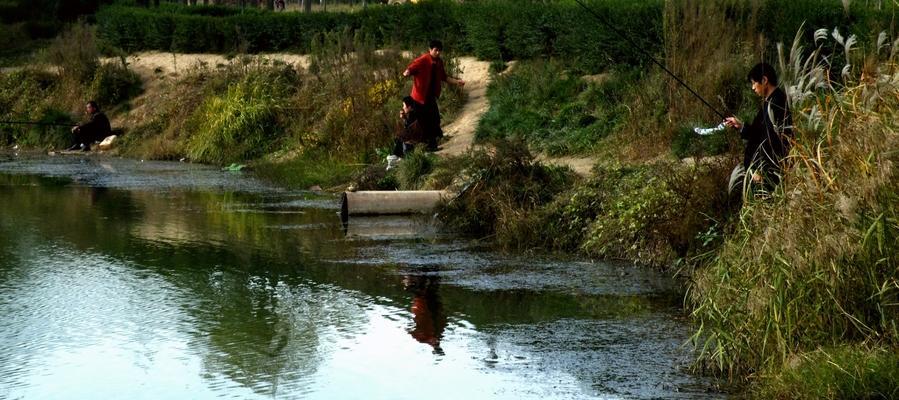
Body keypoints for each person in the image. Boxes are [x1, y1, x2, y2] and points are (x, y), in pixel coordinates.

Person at [723, 63, 793, 194]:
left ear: (764, 81)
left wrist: (761, 169)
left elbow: (771, 140)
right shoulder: (770, 101)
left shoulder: (776, 102)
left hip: (770, 173)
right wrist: (741, 126)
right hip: (765, 171)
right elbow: (759, 132)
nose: (753, 88)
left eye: (754, 83)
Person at [403, 40, 465, 151]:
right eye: (435, 50)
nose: (438, 52)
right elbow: (411, 67)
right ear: (430, 49)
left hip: (430, 97)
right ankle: (412, 149)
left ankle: (431, 145)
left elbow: (444, 77)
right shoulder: (422, 60)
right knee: (420, 122)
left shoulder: (439, 62)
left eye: (439, 50)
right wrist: (407, 72)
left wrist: (457, 82)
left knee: (434, 119)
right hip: (419, 98)